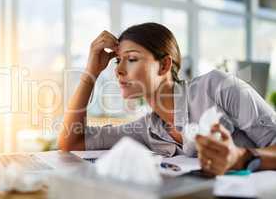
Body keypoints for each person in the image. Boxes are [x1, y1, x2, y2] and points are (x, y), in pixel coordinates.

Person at [59, 22, 276, 176]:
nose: (119, 71)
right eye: (118, 62)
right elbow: (72, 142)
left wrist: (241, 157)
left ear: (164, 65)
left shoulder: (218, 86)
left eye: (132, 59)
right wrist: (90, 73)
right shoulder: (148, 129)